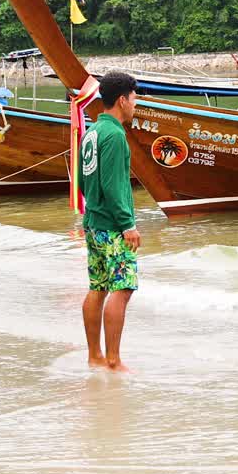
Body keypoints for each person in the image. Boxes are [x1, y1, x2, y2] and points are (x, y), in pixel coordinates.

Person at [79, 72, 142, 372]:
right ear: (122, 100)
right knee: (123, 287)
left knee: (98, 286)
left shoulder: (91, 131)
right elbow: (114, 184)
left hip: (92, 221)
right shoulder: (115, 134)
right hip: (112, 226)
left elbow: (81, 180)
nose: (135, 105)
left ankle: (95, 356)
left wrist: (95, 209)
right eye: (134, 98)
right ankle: (114, 361)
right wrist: (127, 223)